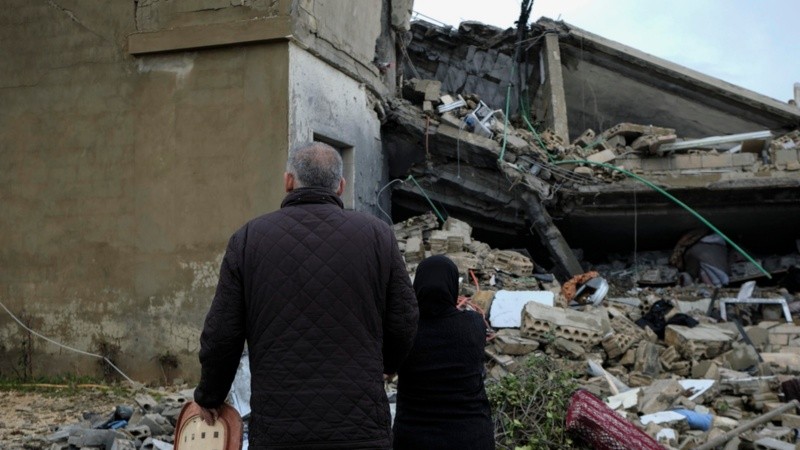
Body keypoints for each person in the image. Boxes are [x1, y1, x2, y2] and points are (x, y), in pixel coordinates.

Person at [193, 142, 419, 449]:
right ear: (341, 186)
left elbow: (221, 335)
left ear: (288, 181)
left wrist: (210, 395)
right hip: (360, 430)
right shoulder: (378, 235)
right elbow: (405, 320)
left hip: (280, 431)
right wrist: (387, 364)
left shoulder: (248, 239)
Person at [392, 255, 495, 450]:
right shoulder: (473, 325)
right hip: (470, 437)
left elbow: (388, 365)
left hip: (413, 438)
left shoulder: (405, 330)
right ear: (451, 287)